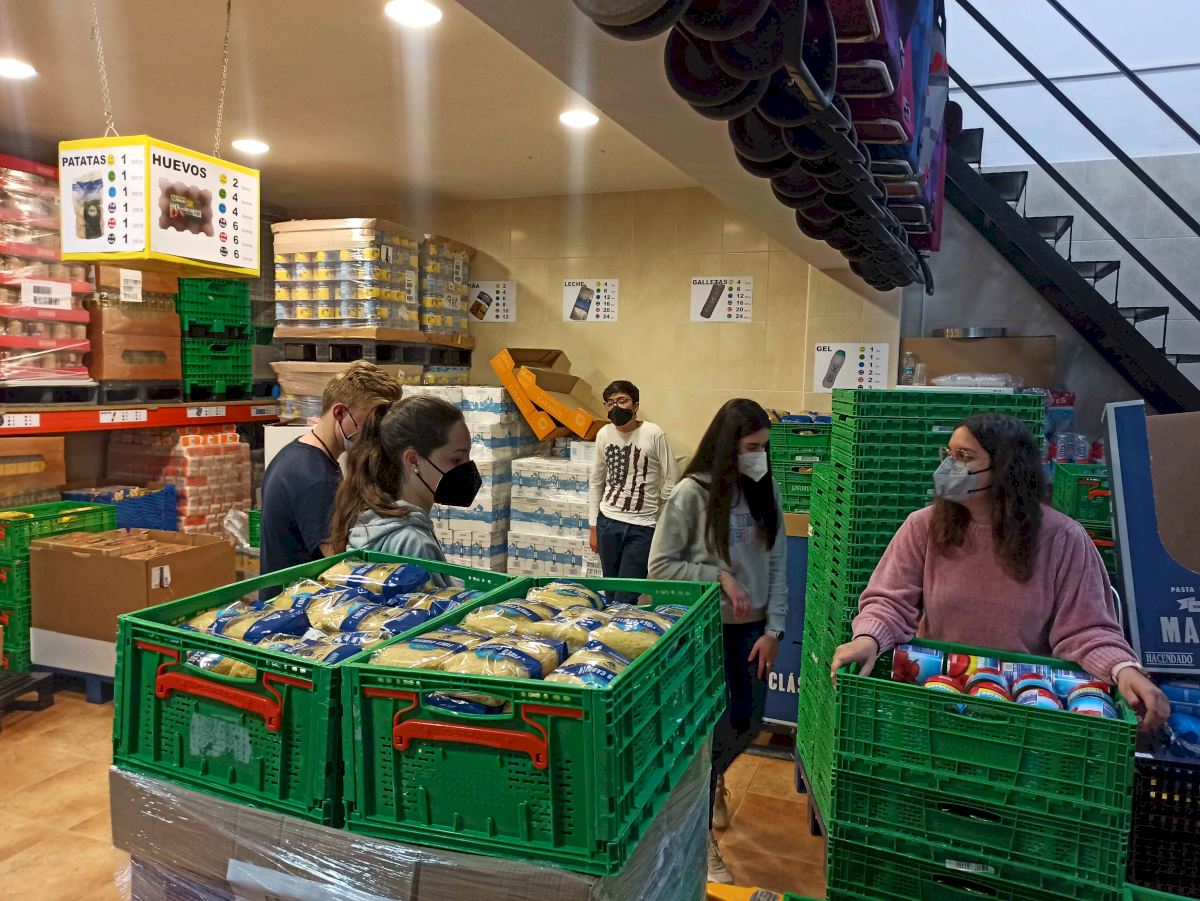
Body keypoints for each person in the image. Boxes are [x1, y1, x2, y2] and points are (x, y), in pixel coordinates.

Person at [831, 413, 1169, 730]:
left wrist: (1123, 668)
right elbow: (890, 602)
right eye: (948, 453)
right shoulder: (922, 527)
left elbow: (1088, 627)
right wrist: (868, 638)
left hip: (1024, 704)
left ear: (1006, 468)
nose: (949, 466)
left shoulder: (1063, 539)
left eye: (964, 456)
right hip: (938, 692)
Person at [647, 398, 787, 885]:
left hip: (752, 631)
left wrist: (774, 630)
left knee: (747, 723)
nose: (759, 457)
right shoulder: (692, 494)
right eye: (750, 447)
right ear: (728, 447)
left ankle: (714, 780)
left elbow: (778, 565)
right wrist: (719, 576)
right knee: (706, 733)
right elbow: (660, 567)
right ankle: (700, 833)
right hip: (703, 632)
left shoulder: (765, 491)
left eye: (764, 447)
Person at [259, 361, 402, 595]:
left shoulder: (295, 454)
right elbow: (341, 568)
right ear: (339, 413)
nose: (375, 432)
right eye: (370, 422)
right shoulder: (316, 479)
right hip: (298, 607)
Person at [327, 394, 481, 587]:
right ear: (413, 460)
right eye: (456, 459)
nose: (467, 468)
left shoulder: (372, 519)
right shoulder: (415, 543)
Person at [588, 380, 679, 604]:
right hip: (608, 522)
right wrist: (593, 526)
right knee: (610, 592)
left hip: (642, 527)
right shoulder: (604, 434)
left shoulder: (653, 433)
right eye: (610, 403)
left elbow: (672, 476)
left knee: (626, 596)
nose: (616, 407)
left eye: (622, 401)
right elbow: (597, 480)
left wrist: (658, 506)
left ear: (635, 405)